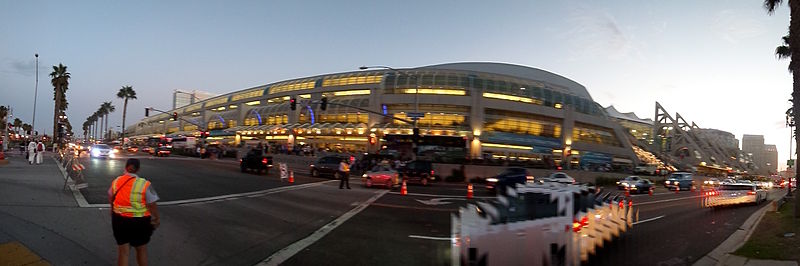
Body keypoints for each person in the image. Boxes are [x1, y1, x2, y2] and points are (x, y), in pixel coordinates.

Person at [108, 159, 160, 266]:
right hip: (139, 222)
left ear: (125, 167)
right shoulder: (144, 184)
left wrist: (111, 209)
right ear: (138, 169)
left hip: (119, 220)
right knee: (141, 250)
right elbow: (152, 204)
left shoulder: (116, 181)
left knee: (123, 253)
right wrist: (156, 218)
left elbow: (110, 195)